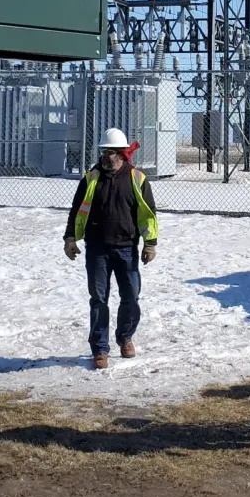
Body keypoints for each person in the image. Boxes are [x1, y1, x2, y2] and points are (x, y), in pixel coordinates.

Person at [64, 127, 158, 370]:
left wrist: (150, 244)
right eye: (103, 152)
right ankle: (100, 349)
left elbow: (148, 215)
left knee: (131, 297)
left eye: (110, 152)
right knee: (98, 299)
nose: (105, 156)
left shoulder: (137, 178)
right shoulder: (91, 178)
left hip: (127, 248)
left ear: (121, 154)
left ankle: (125, 337)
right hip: (97, 248)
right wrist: (70, 239)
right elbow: (77, 210)